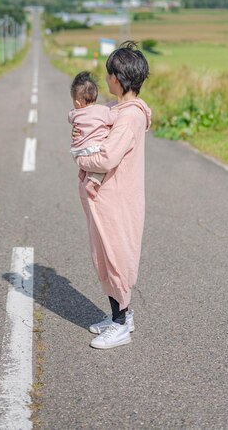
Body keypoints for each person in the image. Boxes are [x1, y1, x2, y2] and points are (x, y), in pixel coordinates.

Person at [73, 41, 151, 350]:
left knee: (116, 259)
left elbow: (106, 158)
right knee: (105, 258)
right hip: (108, 199)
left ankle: (121, 326)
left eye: (109, 75)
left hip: (117, 201)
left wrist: (81, 158)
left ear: (117, 79)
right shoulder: (120, 110)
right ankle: (119, 316)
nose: (106, 80)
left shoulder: (129, 117)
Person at [68, 71, 116, 197]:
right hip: (95, 148)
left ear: (77, 103)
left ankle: (83, 172)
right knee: (103, 166)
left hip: (77, 150)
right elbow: (114, 118)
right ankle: (94, 182)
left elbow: (70, 119)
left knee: (88, 159)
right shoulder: (103, 111)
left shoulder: (74, 114)